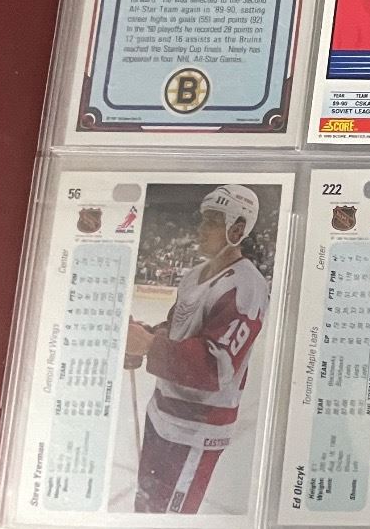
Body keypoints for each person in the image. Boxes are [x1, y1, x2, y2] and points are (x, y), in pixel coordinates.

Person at [124, 186, 268, 513]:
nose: (201, 229)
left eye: (213, 222)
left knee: (169, 517)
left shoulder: (247, 285)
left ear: (237, 229)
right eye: (203, 220)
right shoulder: (192, 276)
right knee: (145, 511)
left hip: (195, 430)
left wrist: (149, 345)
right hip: (161, 414)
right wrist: (144, 337)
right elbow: (176, 330)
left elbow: (215, 367)